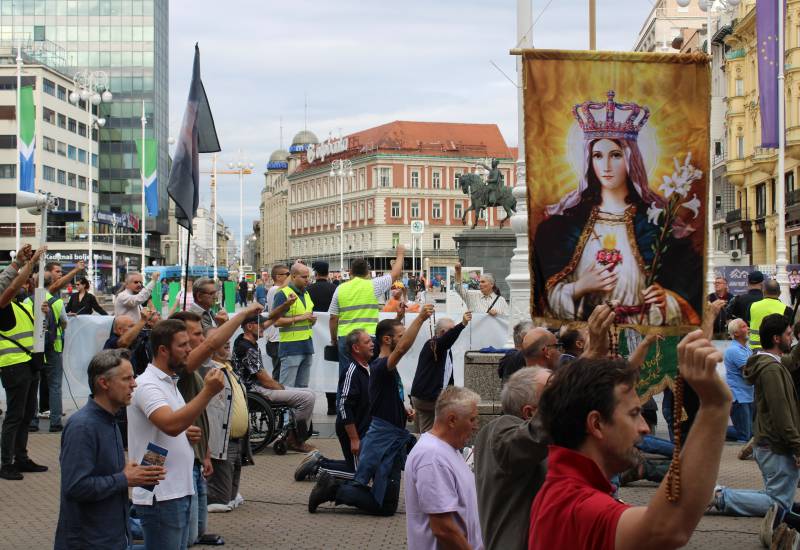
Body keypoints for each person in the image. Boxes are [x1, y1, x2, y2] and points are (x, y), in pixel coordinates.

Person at [528, 327, 732, 550]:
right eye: (634, 414)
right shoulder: (579, 504)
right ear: (596, 424)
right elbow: (666, 528)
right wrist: (714, 406)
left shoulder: (562, 487)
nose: (644, 428)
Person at [534, 93, 703, 326]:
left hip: (641, 332)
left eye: (615, 155)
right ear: (589, 161)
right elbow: (546, 297)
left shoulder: (655, 222)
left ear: (631, 159)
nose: (605, 166)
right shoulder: (567, 224)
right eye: (597, 156)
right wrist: (578, 287)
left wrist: (666, 299)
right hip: (590, 332)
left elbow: (686, 287)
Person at [309, 306, 434, 515]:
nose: (403, 340)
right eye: (400, 336)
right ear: (388, 340)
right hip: (383, 439)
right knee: (384, 507)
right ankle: (333, 489)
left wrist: (403, 410)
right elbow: (401, 348)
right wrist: (420, 318)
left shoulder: (381, 366)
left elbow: (389, 395)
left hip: (392, 438)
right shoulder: (380, 367)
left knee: (387, 502)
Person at [127, 319, 226, 550]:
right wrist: (208, 392)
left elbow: (171, 427)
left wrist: (185, 433)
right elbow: (170, 425)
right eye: (182, 345)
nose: (190, 350)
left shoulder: (170, 382)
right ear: (163, 350)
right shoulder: (147, 385)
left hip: (178, 489)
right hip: (162, 494)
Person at [54, 349, 166, 550]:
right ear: (104, 383)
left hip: (113, 537)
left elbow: (103, 477)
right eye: (127, 378)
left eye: (133, 377)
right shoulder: (83, 427)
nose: (134, 384)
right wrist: (124, 478)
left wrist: (132, 473)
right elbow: (76, 486)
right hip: (89, 542)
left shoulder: (110, 420)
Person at [710, 314, 800, 521]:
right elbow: (781, 413)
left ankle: (722, 495)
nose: (791, 338)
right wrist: (797, 446)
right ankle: (721, 497)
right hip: (774, 444)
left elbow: (792, 360)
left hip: (772, 443)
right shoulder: (771, 370)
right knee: (778, 504)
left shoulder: (773, 363)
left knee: (777, 499)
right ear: (777, 339)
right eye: (788, 335)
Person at [474, 367, 551, 550]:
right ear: (529, 413)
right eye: (553, 392)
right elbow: (534, 436)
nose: (563, 395)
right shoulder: (500, 433)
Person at [404, 386, 483, 550]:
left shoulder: (448, 449)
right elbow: (443, 529)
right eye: (472, 419)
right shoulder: (433, 457)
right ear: (452, 420)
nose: (476, 426)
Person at [295, 328, 375, 482]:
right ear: (356, 348)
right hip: (351, 429)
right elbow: (344, 406)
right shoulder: (351, 372)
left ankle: (320, 461)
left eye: (371, 341)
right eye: (367, 342)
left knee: (362, 468)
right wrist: (354, 439)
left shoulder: (369, 368)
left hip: (364, 429)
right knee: (361, 475)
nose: (372, 344)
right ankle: (319, 467)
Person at [232, 314, 317, 453]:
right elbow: (266, 381)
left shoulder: (241, 340)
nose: (263, 329)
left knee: (310, 392)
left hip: (255, 387)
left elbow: (269, 322)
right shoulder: (248, 349)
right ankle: (295, 440)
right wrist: (282, 388)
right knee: (307, 398)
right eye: (260, 325)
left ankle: (293, 433)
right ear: (249, 326)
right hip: (253, 390)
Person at [0, 246, 49, 480]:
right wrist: (31, 262)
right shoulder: (4, 303)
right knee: (15, 415)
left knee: (27, 413)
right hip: (13, 366)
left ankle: (21, 458)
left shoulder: (21, 305)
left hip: (28, 364)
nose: (25, 283)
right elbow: (11, 285)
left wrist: (43, 313)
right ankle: (6, 462)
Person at [329, 246, 405, 384]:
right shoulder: (373, 285)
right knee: (370, 377)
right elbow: (395, 274)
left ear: (350, 272)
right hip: (368, 338)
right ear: (367, 273)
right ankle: (369, 404)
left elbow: (333, 318)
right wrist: (400, 254)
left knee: (346, 377)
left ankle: (344, 405)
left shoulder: (339, 289)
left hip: (345, 338)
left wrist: (334, 339)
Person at [205, 329, 252, 513]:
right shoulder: (210, 371)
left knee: (232, 495)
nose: (227, 343)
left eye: (227, 340)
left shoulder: (230, 369)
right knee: (221, 500)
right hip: (222, 440)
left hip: (238, 440)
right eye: (221, 341)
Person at [25, 260, 71, 433]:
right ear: (52, 283)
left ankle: (32, 422)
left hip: (34, 348)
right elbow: (64, 323)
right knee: (55, 386)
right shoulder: (57, 302)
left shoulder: (27, 302)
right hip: (54, 348)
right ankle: (55, 423)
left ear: (34, 283)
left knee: (33, 385)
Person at [409, 311, 472, 433]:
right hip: (426, 397)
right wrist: (462, 324)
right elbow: (447, 340)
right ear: (443, 333)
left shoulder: (445, 349)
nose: (454, 335)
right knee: (430, 432)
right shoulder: (434, 345)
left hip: (427, 395)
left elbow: (448, 376)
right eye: (451, 331)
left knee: (423, 431)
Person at [273, 263, 316, 388]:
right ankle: (286, 409)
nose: (307, 280)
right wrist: (302, 318)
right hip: (291, 348)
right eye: (303, 277)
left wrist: (312, 320)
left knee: (302, 387)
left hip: (307, 346)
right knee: (288, 388)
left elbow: (308, 318)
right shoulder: (283, 294)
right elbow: (276, 321)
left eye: (308, 277)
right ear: (293, 277)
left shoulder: (306, 294)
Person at [307, 261, 338, 415]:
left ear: (315, 273)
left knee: (311, 368)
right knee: (331, 369)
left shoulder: (308, 290)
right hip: (332, 336)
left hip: (312, 335)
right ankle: (332, 405)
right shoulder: (336, 289)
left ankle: (307, 404)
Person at [723, 318, 755, 443]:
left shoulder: (746, 349)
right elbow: (748, 372)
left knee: (749, 432)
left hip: (746, 395)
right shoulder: (734, 350)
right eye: (743, 327)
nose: (747, 329)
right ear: (736, 333)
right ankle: (713, 429)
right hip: (739, 396)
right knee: (745, 435)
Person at [748, 278, 793, 349]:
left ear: (763, 291)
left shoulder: (752, 306)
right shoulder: (787, 310)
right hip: (775, 349)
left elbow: (748, 323)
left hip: (755, 348)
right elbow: (788, 331)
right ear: (780, 293)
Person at [265, 264, 290, 382]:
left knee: (281, 372)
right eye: (288, 275)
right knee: (279, 374)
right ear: (278, 277)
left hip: (278, 338)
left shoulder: (279, 290)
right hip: (276, 339)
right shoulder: (275, 290)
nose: (291, 277)